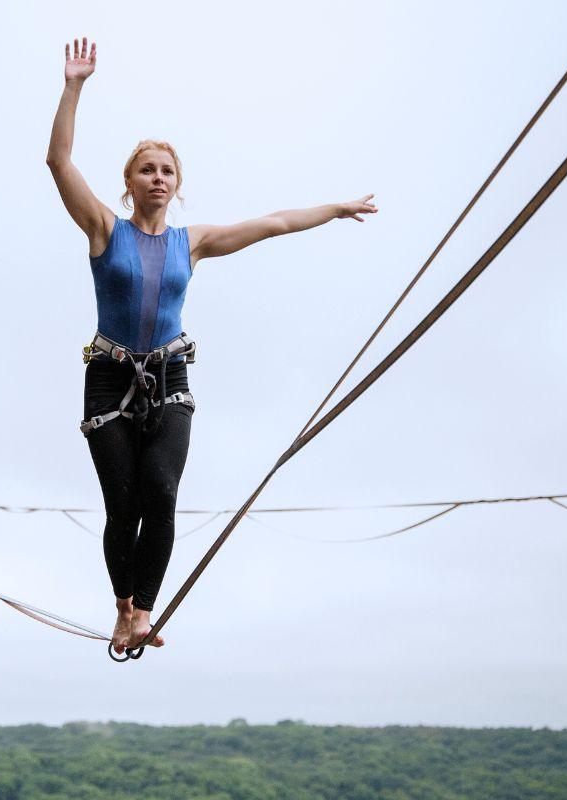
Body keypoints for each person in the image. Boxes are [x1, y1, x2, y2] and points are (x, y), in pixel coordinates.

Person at [46, 37, 377, 656]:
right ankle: (122, 608)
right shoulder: (102, 228)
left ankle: (142, 614)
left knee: (162, 494)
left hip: (169, 375)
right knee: (123, 507)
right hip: (110, 377)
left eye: (167, 171)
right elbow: (59, 161)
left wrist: (333, 209)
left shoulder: (190, 244)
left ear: (178, 184)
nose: (158, 178)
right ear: (129, 183)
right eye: (147, 169)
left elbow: (272, 224)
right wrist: (74, 86)